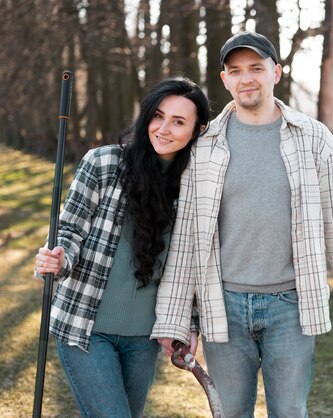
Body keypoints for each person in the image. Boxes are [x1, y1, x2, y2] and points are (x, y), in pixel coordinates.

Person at [151, 31, 333, 417]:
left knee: (289, 412)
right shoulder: (205, 146)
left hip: (292, 306)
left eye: (256, 67)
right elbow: (187, 239)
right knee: (231, 413)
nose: (246, 78)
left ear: (276, 73)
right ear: (224, 80)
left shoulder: (314, 139)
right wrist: (174, 320)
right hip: (225, 306)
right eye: (235, 70)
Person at [33, 76, 210, 418]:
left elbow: (193, 265)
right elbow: (69, 229)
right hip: (85, 327)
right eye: (158, 116)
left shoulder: (194, 187)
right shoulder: (104, 164)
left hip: (144, 339)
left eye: (178, 121)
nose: (163, 128)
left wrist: (189, 323)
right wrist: (59, 256)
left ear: (197, 130)